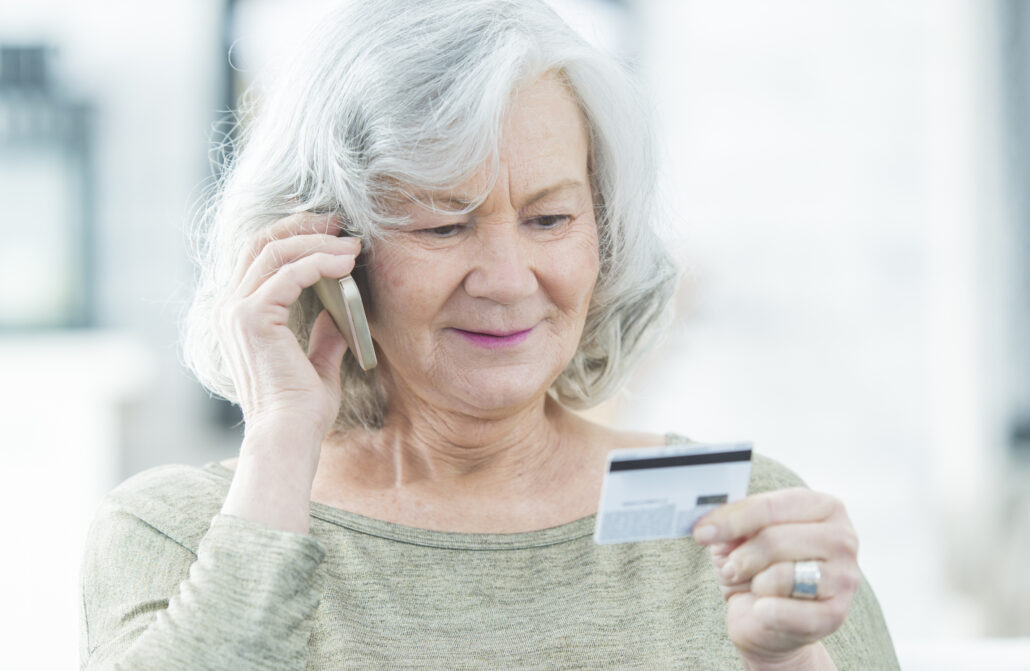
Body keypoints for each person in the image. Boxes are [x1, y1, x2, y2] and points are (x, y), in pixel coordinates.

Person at [79, 1, 900, 669]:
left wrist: (788, 663)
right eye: (444, 226)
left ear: (602, 237)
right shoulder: (175, 530)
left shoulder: (736, 508)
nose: (508, 279)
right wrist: (282, 444)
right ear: (326, 252)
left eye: (550, 219)